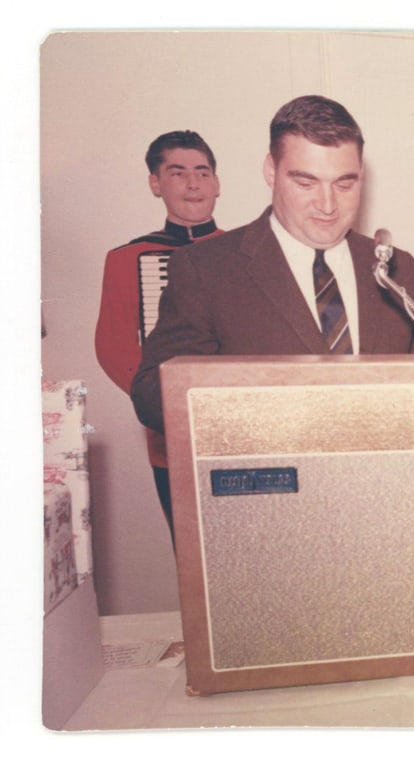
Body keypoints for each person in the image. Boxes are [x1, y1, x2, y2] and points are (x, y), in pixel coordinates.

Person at [130, 95, 414, 492]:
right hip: (267, 502)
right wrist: (275, 406)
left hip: (383, 491)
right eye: (305, 181)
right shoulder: (206, 268)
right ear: (271, 170)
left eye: (345, 183)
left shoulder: (397, 269)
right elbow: (152, 393)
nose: (328, 205)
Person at [94, 130, 223, 534]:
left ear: (217, 184)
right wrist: (161, 402)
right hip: (171, 432)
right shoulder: (127, 259)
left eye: (203, 172)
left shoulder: (246, 253)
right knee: (189, 548)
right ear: (156, 184)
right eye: (177, 172)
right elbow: (113, 347)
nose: (193, 183)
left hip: (237, 426)